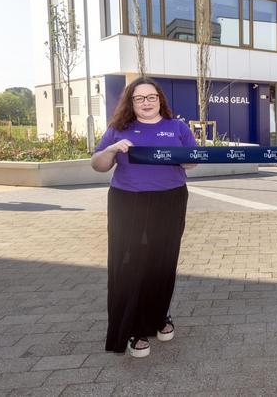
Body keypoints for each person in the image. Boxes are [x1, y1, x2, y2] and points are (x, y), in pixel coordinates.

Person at [91, 78, 198, 358]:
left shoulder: (177, 128)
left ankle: (158, 317)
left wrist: (181, 156)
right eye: (139, 98)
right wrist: (112, 150)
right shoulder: (118, 129)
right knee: (129, 263)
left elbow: (192, 162)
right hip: (128, 202)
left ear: (160, 99)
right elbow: (98, 165)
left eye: (151, 97)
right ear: (131, 102)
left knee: (162, 262)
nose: (146, 102)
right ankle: (132, 328)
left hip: (170, 199)